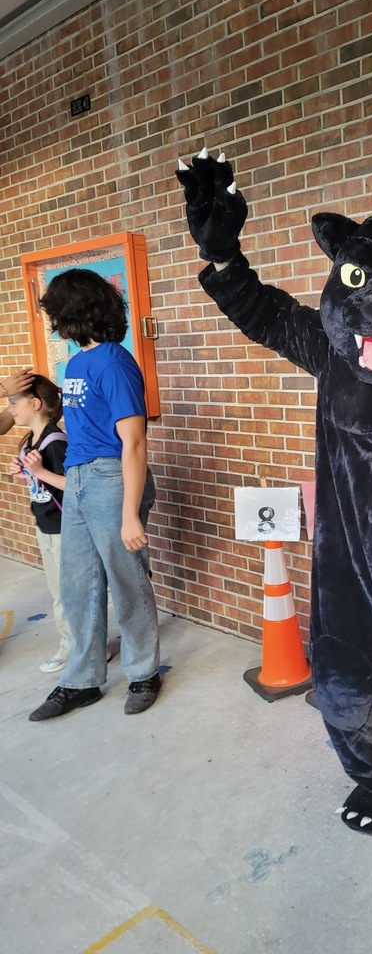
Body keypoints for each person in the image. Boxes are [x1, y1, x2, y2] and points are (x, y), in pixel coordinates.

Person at [28, 269, 162, 721]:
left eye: (56, 312)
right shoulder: (77, 364)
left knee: (127, 581)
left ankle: (144, 672)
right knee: (78, 584)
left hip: (111, 480)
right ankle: (82, 680)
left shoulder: (115, 362)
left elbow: (135, 442)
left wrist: (130, 515)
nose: (53, 321)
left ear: (74, 312)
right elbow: (85, 423)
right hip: (81, 478)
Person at [7, 374, 71, 673]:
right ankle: (78, 646)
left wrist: (39, 472)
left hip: (62, 528)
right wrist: (25, 473)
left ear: (35, 403)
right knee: (58, 593)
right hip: (44, 525)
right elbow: (41, 481)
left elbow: (72, 485)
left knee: (66, 595)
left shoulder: (55, 442)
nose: (10, 409)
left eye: (14, 402)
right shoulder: (29, 440)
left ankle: (72, 650)